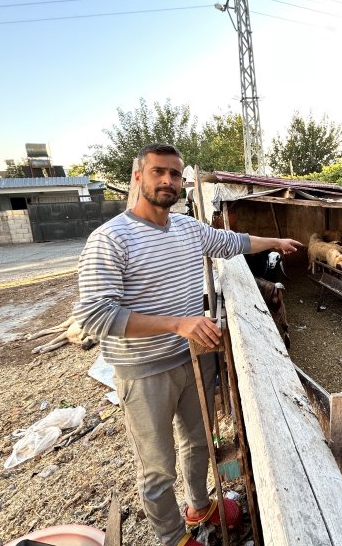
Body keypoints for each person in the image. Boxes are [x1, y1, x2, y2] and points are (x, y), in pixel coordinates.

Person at [73, 143, 302, 546]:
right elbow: (94, 315)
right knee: (158, 467)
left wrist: (274, 242)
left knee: (198, 442)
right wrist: (178, 324)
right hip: (144, 372)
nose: (168, 181)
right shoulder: (110, 239)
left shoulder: (186, 228)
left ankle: (198, 506)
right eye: (158, 172)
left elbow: (229, 243)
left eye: (175, 174)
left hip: (190, 360)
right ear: (138, 177)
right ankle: (173, 537)